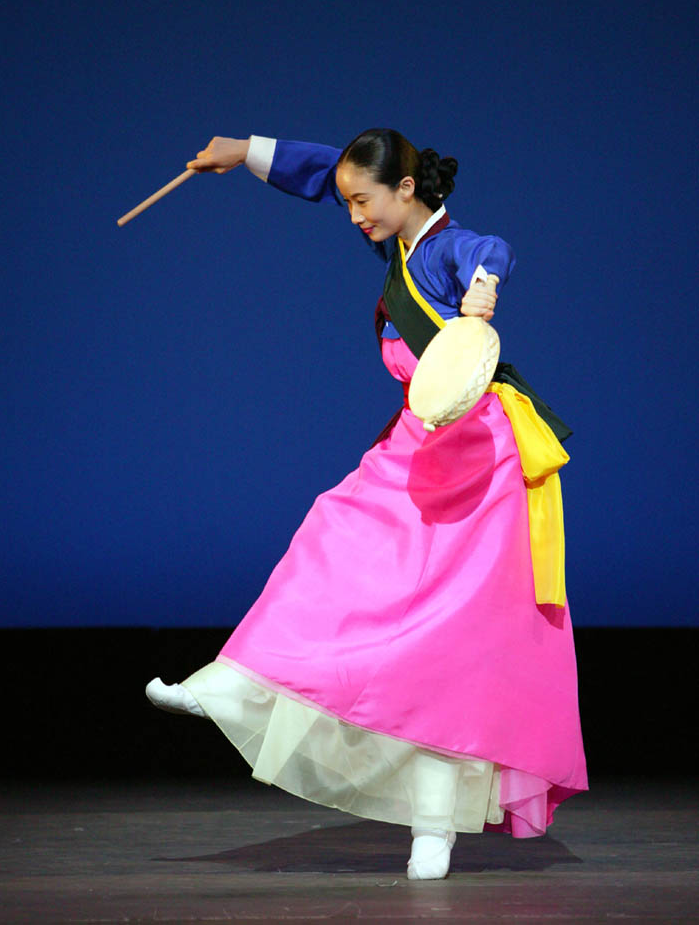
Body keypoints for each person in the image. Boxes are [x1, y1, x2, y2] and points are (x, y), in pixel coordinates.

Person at [146, 129, 587, 880]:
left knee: (454, 644)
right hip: (419, 442)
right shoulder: (397, 239)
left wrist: (484, 286)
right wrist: (243, 151)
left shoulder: (447, 250)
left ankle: (434, 830)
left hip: (480, 457)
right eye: (350, 202)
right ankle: (230, 683)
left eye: (364, 201)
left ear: (406, 189)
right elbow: (325, 171)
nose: (353, 214)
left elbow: (492, 248)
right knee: (334, 535)